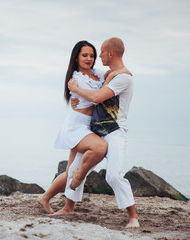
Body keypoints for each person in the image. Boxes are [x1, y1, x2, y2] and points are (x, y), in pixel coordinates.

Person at [37, 40, 130, 216]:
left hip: (90, 126)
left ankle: (52, 200)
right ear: (76, 57)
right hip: (77, 126)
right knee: (99, 148)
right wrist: (112, 76)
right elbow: (97, 96)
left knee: (70, 170)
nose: (89, 58)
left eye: (92, 55)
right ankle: (79, 178)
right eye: (84, 55)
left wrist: (121, 72)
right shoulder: (76, 79)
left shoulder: (97, 74)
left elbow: (112, 74)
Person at [68, 37, 140, 228]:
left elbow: (98, 97)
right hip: (97, 130)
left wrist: (75, 89)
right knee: (74, 169)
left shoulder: (124, 78)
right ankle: (68, 208)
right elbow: (94, 91)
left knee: (113, 176)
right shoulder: (110, 75)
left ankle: (133, 218)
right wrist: (74, 99)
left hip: (114, 131)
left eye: (100, 52)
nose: (98, 55)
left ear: (111, 53)